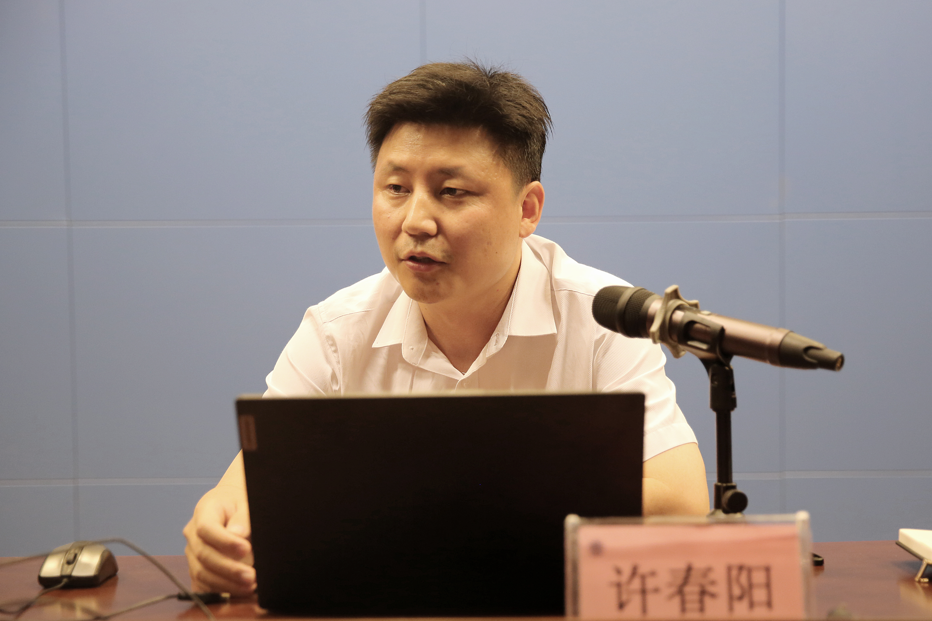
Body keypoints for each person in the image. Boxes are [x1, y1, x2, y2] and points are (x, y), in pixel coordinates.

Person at [183, 61, 709, 596]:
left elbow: (684, 504)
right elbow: (244, 494)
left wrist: (451, 503)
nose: (415, 221)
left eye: (452, 191)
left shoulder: (602, 317)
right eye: (395, 187)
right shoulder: (337, 332)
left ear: (527, 209)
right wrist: (217, 530)